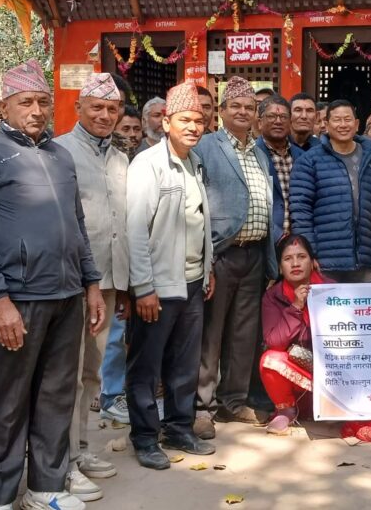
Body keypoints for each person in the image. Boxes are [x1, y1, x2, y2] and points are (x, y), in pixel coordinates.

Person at [0, 60, 106, 510]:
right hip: (18, 298)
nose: (37, 110)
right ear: (4, 105)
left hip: (67, 295)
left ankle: (45, 488)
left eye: (43, 101)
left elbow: (77, 225)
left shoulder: (60, 155)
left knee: (56, 397)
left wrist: (92, 283)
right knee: (7, 402)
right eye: (26, 102)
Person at [124, 82, 217, 469]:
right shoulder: (147, 164)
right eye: (185, 120)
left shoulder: (195, 162)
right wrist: (143, 287)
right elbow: (134, 230)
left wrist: (207, 269)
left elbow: (200, 221)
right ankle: (145, 437)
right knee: (146, 366)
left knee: (184, 363)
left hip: (193, 282)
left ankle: (179, 427)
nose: (194, 127)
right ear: (166, 122)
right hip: (158, 285)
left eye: (199, 120)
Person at [57, 72, 131, 500]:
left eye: (111, 109)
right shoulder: (60, 152)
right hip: (75, 282)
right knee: (69, 374)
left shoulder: (120, 158)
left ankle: (81, 449)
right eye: (97, 108)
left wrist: (125, 284)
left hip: (109, 281)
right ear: (79, 108)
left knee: (91, 373)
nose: (104, 115)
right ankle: (63, 463)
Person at [194, 76, 277, 439]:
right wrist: (205, 259)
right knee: (210, 335)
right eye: (236, 106)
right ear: (222, 111)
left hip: (254, 253)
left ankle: (233, 401)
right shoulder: (206, 147)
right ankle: (202, 407)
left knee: (244, 334)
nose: (243, 112)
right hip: (221, 254)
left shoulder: (259, 152)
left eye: (250, 107)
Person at [257, 234, 371, 443]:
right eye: (288, 259)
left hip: (337, 370)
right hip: (304, 372)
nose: (295, 263)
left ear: (313, 262)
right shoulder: (273, 296)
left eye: (301, 257)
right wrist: (296, 306)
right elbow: (274, 342)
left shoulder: (332, 290)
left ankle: (353, 413)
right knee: (269, 360)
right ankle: (287, 411)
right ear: (279, 267)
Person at [289, 99, 371, 283]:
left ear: (357, 124)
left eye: (347, 119)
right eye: (337, 120)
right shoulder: (309, 161)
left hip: (364, 259)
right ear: (326, 124)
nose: (343, 125)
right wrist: (308, 252)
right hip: (324, 261)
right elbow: (301, 211)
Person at [257, 95, 299, 238]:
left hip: (299, 241)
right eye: (271, 116)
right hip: (265, 241)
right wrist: (278, 237)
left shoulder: (303, 156)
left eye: (283, 117)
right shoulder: (250, 155)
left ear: (290, 122)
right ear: (260, 122)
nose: (278, 121)